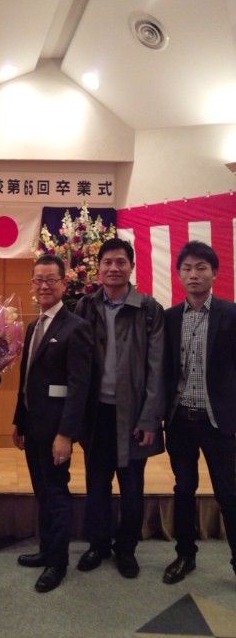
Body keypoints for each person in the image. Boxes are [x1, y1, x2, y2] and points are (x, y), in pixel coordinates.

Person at [74, 237, 164, 578]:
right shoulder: (85, 306)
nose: (114, 268)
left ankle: (126, 549)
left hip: (134, 415)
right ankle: (98, 544)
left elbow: (157, 367)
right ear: (98, 268)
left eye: (120, 262)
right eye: (107, 262)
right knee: (96, 485)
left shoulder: (148, 309)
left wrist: (149, 418)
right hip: (97, 413)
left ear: (131, 267)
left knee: (132, 488)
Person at [13, 254, 92, 593]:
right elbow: (26, 380)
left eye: (50, 279)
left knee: (57, 493)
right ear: (32, 284)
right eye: (38, 280)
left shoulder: (77, 327)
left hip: (56, 431)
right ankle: (46, 550)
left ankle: (58, 563)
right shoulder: (34, 326)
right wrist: (19, 421)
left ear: (63, 283)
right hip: (33, 427)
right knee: (42, 491)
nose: (44, 286)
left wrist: (66, 434)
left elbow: (79, 387)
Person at [163, 240, 236, 584]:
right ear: (179, 274)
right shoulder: (169, 318)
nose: (194, 274)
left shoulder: (230, 315)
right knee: (183, 489)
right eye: (187, 268)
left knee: (228, 492)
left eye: (201, 268)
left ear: (214, 273)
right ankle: (185, 555)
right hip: (180, 420)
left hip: (218, 421)